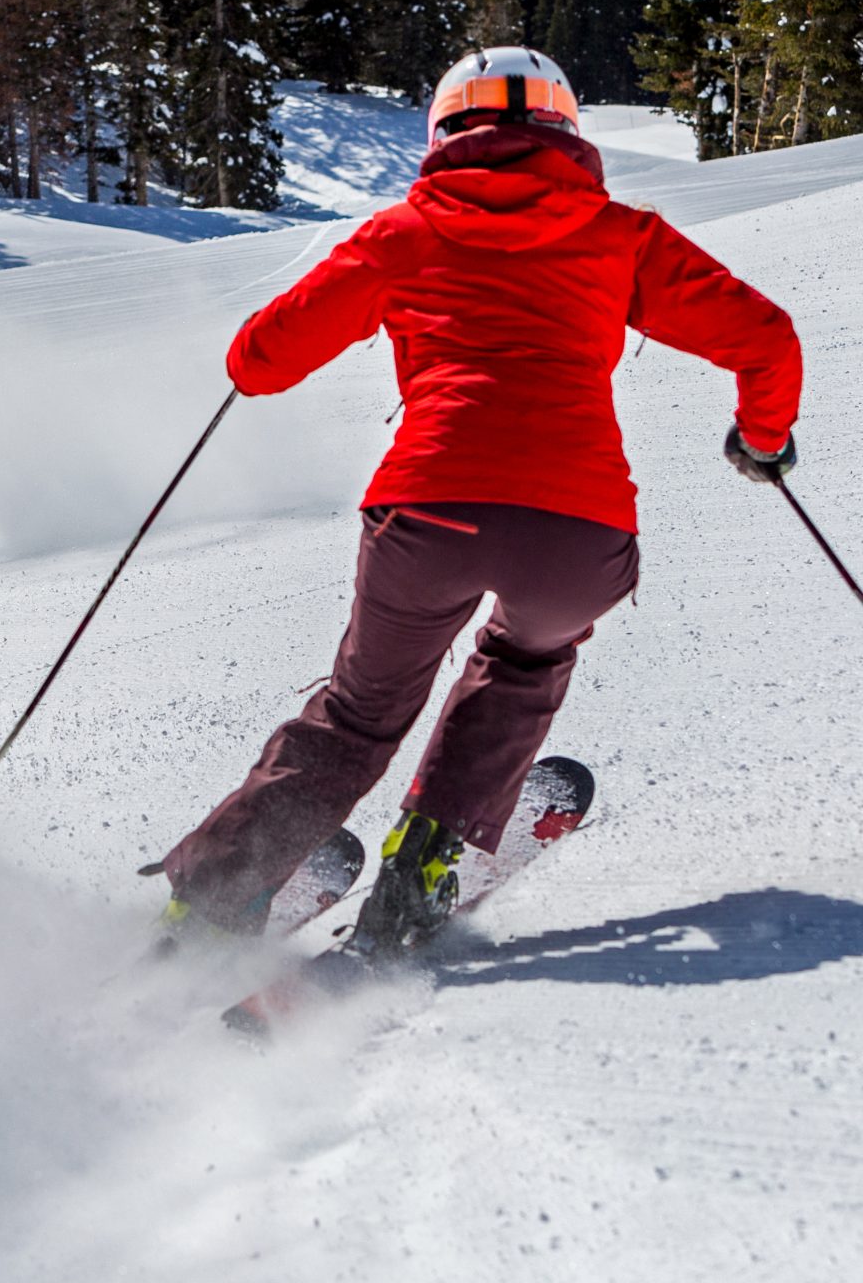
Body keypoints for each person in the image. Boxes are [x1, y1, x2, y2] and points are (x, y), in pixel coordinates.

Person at [156, 47, 802, 954]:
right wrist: (763, 439)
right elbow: (766, 339)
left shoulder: (405, 233)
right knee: (527, 662)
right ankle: (428, 857)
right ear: (566, 130)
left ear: (445, 129)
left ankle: (216, 898)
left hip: (427, 515)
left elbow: (260, 361)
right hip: (577, 531)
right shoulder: (622, 235)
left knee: (359, 713)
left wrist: (261, 357)